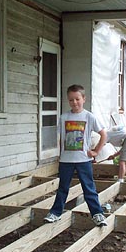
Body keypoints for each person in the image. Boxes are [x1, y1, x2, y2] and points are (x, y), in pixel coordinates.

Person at [44, 84, 108, 227]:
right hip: (66, 160)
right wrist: (59, 155)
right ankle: (55, 213)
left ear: (83, 99)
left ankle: (97, 214)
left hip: (83, 160)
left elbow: (104, 134)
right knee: (63, 188)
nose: (74, 102)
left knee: (89, 188)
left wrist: (96, 151)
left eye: (77, 99)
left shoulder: (89, 117)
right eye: (71, 100)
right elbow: (61, 138)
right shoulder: (64, 117)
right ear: (68, 100)